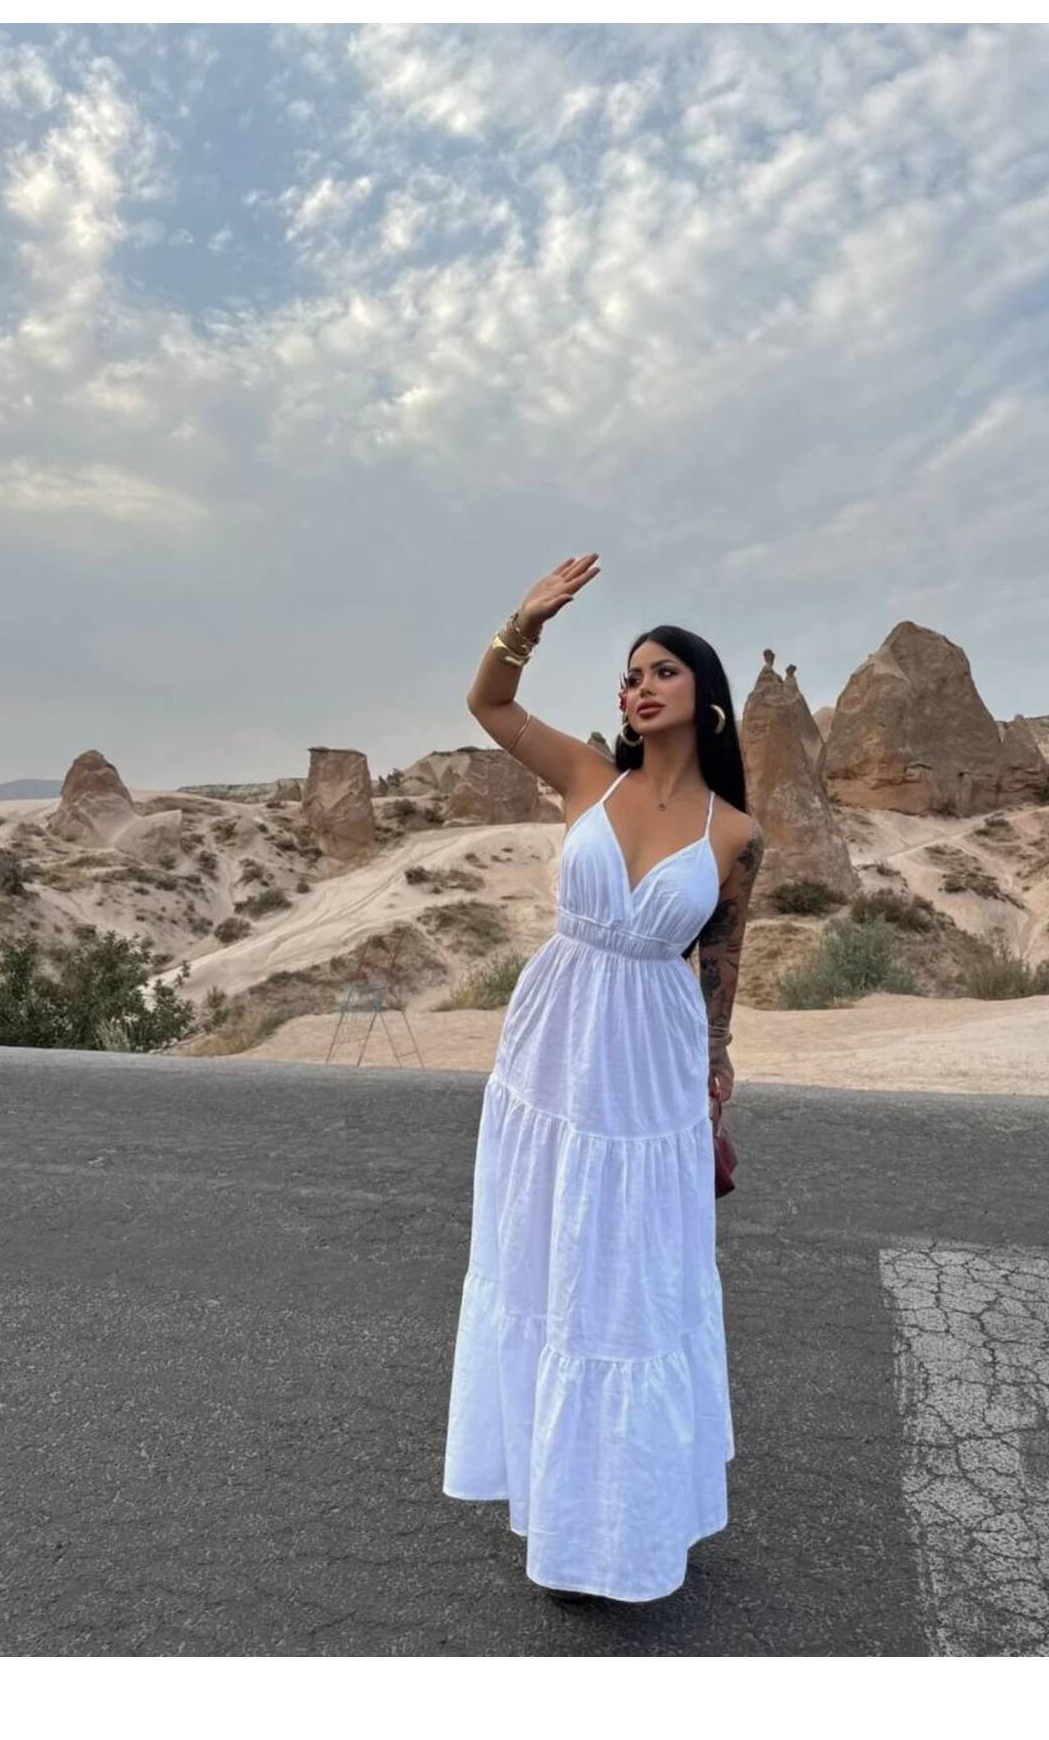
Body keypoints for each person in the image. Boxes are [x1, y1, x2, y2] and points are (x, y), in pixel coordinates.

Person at [441, 552, 764, 1605]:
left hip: (652, 1053)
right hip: (553, 1042)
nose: (640, 686)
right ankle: (557, 1505)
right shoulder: (589, 777)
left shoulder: (736, 833)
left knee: (630, 1278)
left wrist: (715, 1065)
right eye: (630, 675)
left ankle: (628, 1520)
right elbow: (491, 704)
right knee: (548, 1257)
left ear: (706, 699)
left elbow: (721, 962)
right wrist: (523, 622)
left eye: (663, 670)